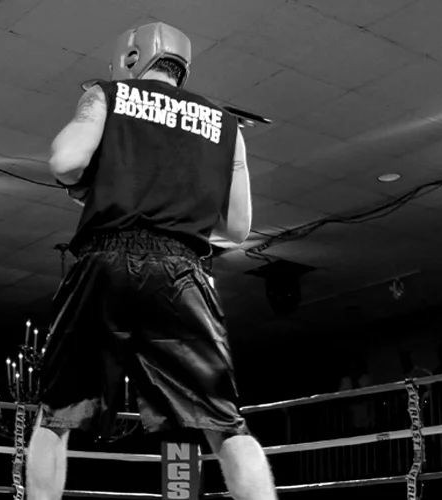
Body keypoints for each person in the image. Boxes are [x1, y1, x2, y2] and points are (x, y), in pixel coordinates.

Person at [29, 22, 273, 500]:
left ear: (131, 56)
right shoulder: (226, 124)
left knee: (55, 416)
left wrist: (107, 189)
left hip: (105, 259)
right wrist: (177, 212)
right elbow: (238, 228)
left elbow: (64, 162)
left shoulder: (107, 95)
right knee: (226, 423)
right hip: (183, 270)